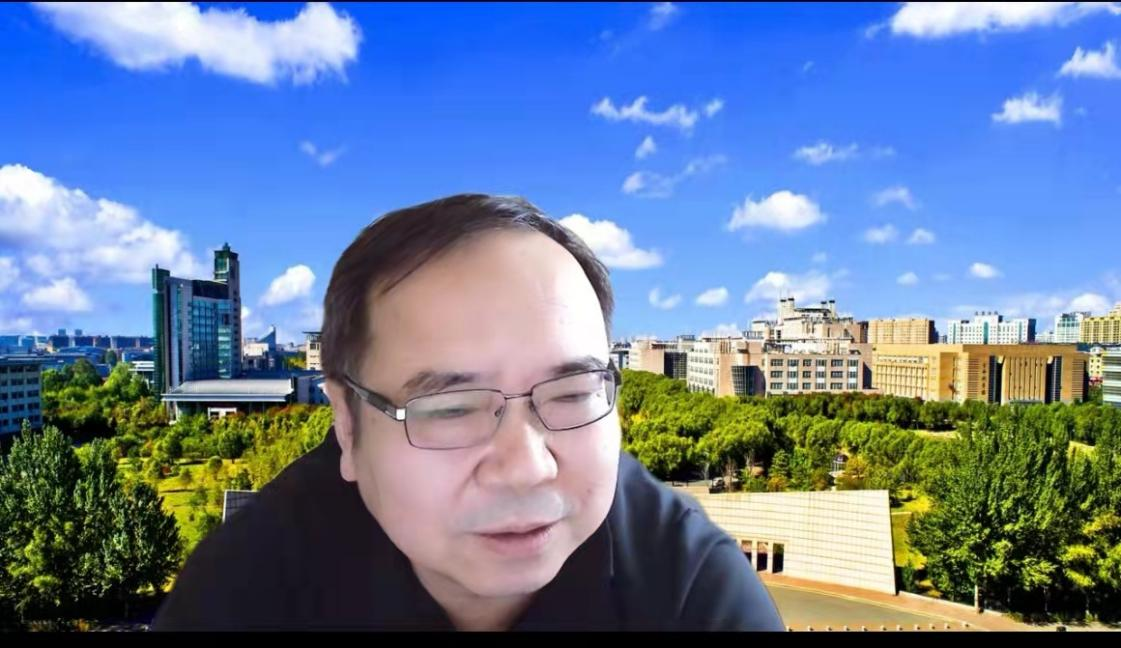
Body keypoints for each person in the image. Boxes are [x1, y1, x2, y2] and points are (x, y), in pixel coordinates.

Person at [152, 194, 785, 631]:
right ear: (347, 425)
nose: (527, 467)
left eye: (571, 394)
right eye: (452, 409)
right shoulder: (246, 592)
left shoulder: (693, 594)